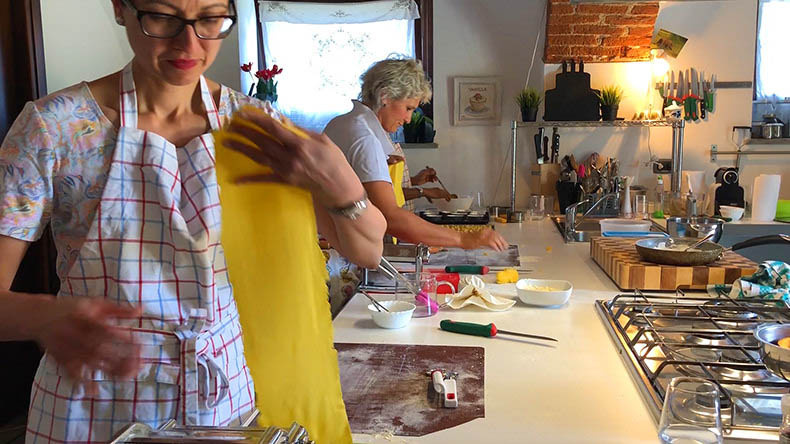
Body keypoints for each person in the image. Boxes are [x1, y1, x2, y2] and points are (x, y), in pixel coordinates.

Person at [0, 0, 386, 441]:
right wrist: (44, 317)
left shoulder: (255, 129)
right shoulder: (56, 129)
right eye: (162, 16)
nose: (189, 43)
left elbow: (366, 250)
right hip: (95, 401)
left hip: (224, 405)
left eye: (209, 19)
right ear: (121, 8)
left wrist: (342, 184)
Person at [324, 58, 507, 251]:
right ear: (384, 96)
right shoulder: (365, 138)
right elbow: (391, 217)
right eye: (408, 108)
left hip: (334, 243)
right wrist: (463, 239)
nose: (409, 119)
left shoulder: (341, 123)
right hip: (346, 248)